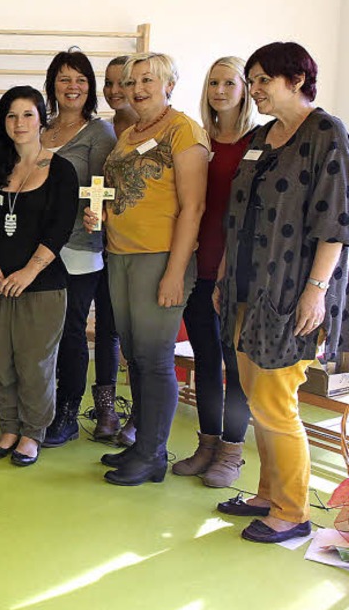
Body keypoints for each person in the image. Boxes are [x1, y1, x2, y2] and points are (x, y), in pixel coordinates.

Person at [215, 42, 349, 544]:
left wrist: (315, 292)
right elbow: (238, 212)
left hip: (291, 292)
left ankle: (292, 513)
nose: (253, 90)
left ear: (296, 79)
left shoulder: (325, 133)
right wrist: (227, 273)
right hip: (246, 288)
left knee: (276, 401)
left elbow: (334, 224)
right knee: (256, 396)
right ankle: (269, 493)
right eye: (251, 81)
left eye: (261, 80)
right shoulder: (262, 136)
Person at [86, 53, 208, 485]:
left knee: (155, 359)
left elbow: (193, 207)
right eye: (130, 81)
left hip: (160, 258)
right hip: (119, 255)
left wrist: (175, 272)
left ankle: (154, 454)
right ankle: (140, 444)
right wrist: (97, 216)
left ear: (169, 85)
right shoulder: (129, 134)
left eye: (146, 80)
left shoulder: (184, 130)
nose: (136, 88)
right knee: (134, 357)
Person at [0, 86, 78, 467]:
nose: (19, 123)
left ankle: (33, 432)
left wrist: (30, 271)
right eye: (12, 115)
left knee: (34, 363)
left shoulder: (61, 170)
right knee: (0, 359)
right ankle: (9, 426)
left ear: (41, 118)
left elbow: (60, 228)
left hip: (42, 286)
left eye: (27, 115)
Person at [172, 57, 255, 486]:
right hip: (199, 267)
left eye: (228, 83)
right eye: (213, 83)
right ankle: (206, 444)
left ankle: (232, 452)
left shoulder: (258, 141)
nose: (219, 90)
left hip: (239, 272)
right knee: (204, 359)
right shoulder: (198, 139)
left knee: (235, 366)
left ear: (244, 89)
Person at [38, 51, 120, 448]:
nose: (72, 86)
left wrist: (97, 216)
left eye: (81, 80)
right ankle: (43, 406)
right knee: (42, 332)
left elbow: (105, 193)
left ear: (90, 88)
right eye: (64, 78)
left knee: (70, 330)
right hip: (38, 247)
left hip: (78, 247)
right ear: (52, 84)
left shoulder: (99, 133)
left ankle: (69, 412)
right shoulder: (42, 129)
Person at [103, 57, 138, 136]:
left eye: (122, 84)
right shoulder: (101, 129)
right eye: (108, 83)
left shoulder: (154, 128)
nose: (113, 91)